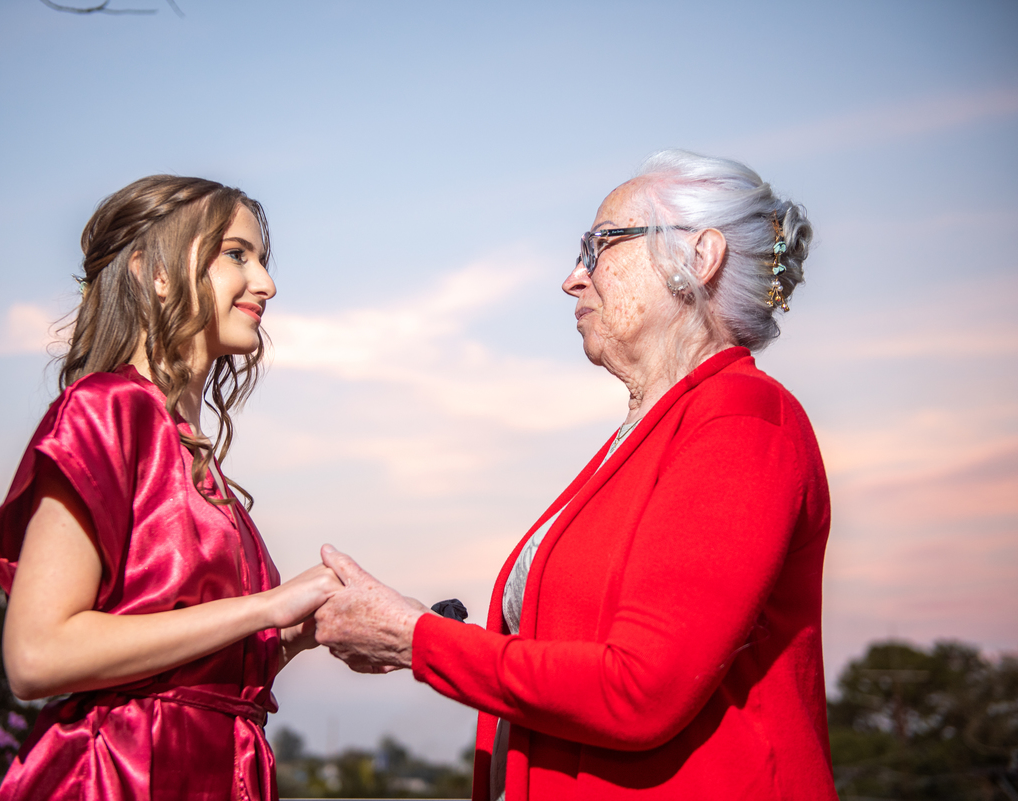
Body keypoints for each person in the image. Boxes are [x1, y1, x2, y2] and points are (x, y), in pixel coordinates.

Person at [314, 150, 838, 799]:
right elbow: (583, 650)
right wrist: (426, 632)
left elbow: (640, 688)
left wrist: (413, 637)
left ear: (700, 257)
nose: (572, 278)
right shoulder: (650, 433)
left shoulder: (743, 420)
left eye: (599, 246)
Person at [0, 176, 343, 801]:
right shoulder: (107, 410)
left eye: (262, 260)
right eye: (235, 254)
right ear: (157, 272)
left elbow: (179, 660)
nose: (266, 283)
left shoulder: (193, 450)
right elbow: (37, 655)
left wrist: (283, 638)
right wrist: (261, 608)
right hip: (118, 776)